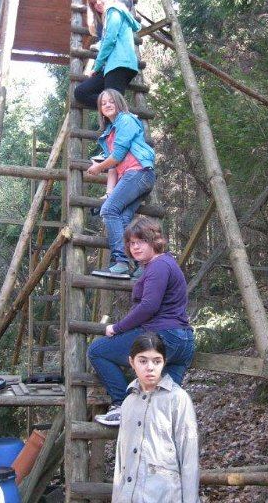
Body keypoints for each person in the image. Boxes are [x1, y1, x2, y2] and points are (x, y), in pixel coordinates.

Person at [88, 217, 196, 425]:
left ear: (154, 241)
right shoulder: (166, 263)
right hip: (184, 342)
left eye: (141, 241)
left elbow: (149, 306)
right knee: (162, 408)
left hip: (164, 338)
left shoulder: (158, 266)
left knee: (98, 351)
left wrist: (117, 328)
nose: (135, 247)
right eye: (131, 243)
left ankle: (122, 406)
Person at [112, 332, 200, 503]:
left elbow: (189, 458)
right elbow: (121, 460)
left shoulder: (178, 399)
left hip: (165, 496)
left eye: (156, 361)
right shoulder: (128, 403)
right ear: (132, 362)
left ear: (164, 362)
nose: (150, 367)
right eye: (143, 361)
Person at [86, 90, 156, 278]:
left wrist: (97, 168)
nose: (107, 105)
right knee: (123, 219)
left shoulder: (125, 120)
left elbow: (117, 156)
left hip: (139, 173)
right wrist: (109, 193)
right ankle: (142, 265)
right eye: (103, 103)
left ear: (119, 103)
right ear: (100, 110)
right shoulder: (110, 131)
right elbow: (114, 167)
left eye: (111, 101)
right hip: (133, 176)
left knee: (108, 211)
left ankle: (121, 262)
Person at [74, 0, 140, 109]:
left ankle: (121, 114)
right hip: (111, 66)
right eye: (93, 3)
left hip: (120, 64)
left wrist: (97, 66)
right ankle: (116, 111)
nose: (97, 4)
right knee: (81, 92)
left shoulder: (114, 11)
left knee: (113, 103)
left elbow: (109, 41)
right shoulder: (108, 16)